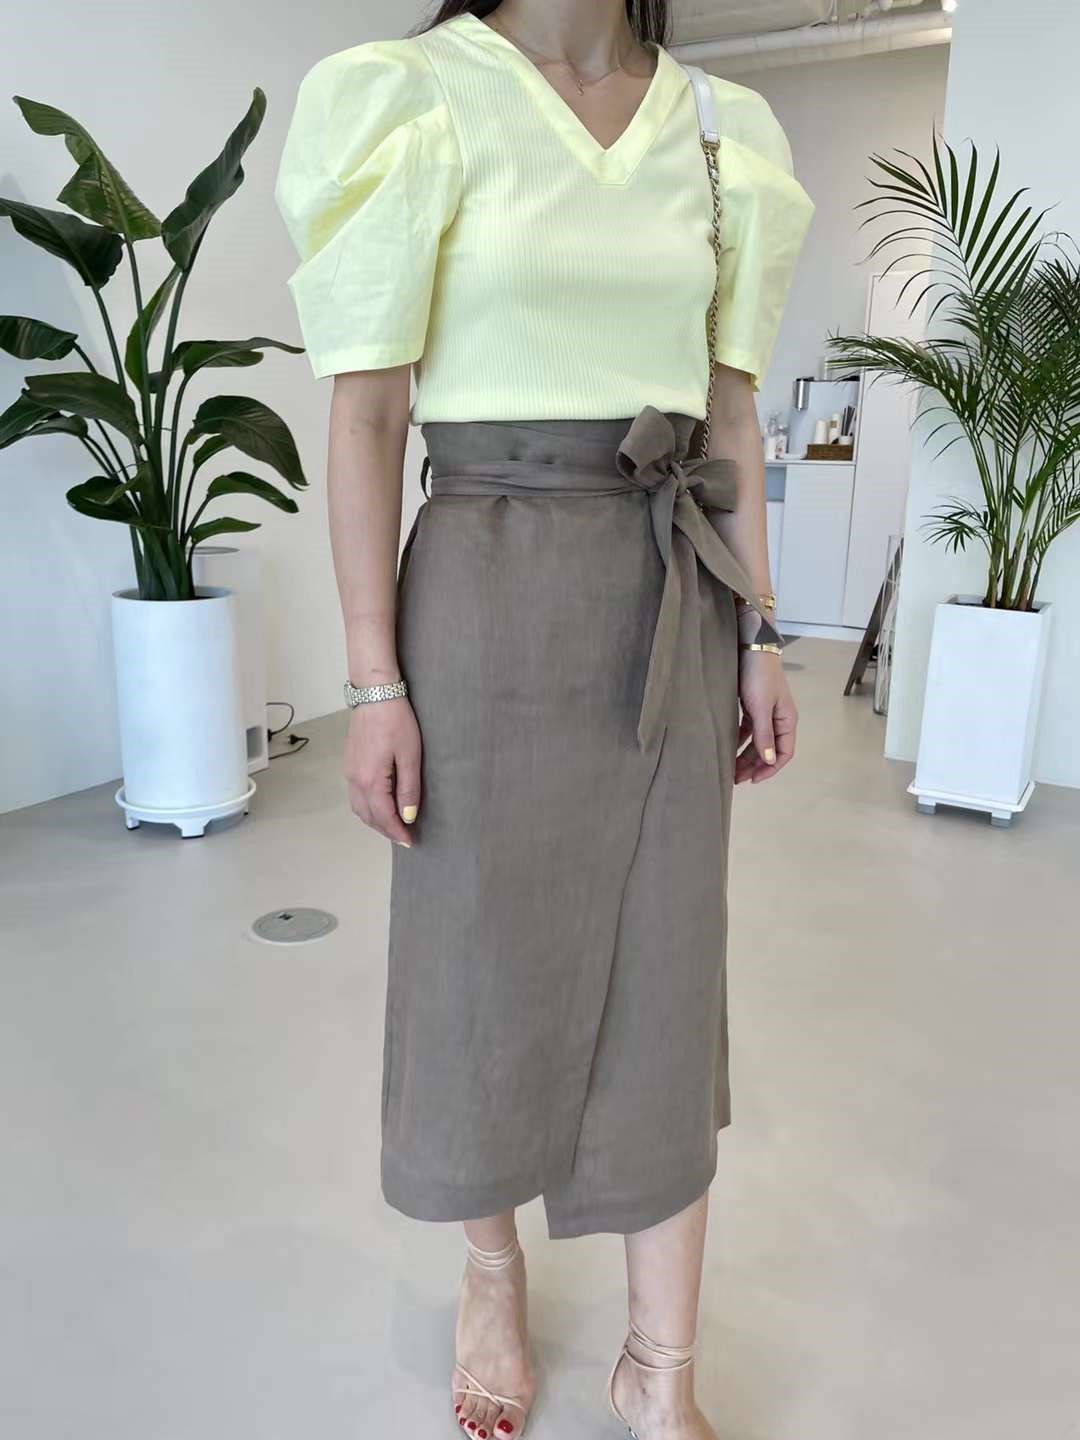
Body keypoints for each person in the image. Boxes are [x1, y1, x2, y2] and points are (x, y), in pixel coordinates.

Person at [274, 2, 813, 1435]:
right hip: (486, 582)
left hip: (672, 591)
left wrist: (763, 632)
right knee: (480, 957)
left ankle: (661, 1371)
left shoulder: (721, 131)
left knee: (669, 970)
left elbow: (733, 414)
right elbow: (369, 415)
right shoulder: (414, 96)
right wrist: (374, 682)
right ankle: (492, 1271)